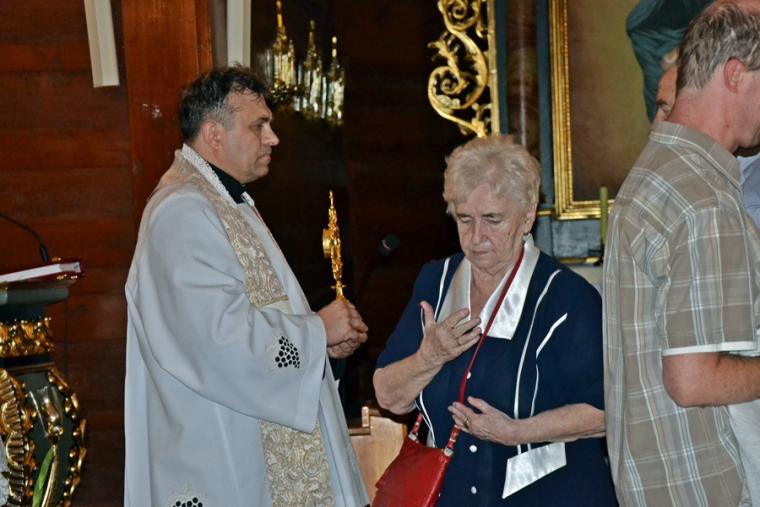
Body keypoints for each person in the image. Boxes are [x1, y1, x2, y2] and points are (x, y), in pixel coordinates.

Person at [124, 66, 369, 506]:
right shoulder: (181, 212)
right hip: (224, 455)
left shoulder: (227, 204)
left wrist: (322, 350)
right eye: (259, 126)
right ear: (213, 134)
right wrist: (317, 332)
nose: (273, 138)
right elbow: (216, 339)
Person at [374, 135, 617, 506]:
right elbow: (388, 396)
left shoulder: (567, 298)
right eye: (464, 219)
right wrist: (429, 356)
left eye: (492, 219)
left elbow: (605, 411)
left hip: (551, 496)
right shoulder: (435, 283)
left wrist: (517, 432)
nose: (476, 237)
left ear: (527, 216)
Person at [604, 2, 760, 505]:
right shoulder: (702, 198)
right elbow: (693, 380)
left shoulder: (656, 171)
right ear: (735, 74)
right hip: (708, 486)